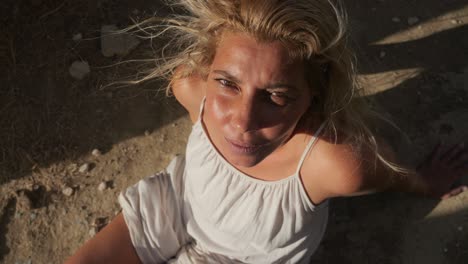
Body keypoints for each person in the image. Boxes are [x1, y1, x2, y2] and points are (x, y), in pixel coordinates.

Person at [65, 0, 467, 263]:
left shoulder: (333, 162)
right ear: (207, 69)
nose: (241, 122)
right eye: (228, 84)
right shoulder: (190, 87)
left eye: (276, 96)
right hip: (175, 208)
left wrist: (420, 183)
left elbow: (386, 173)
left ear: (315, 95)